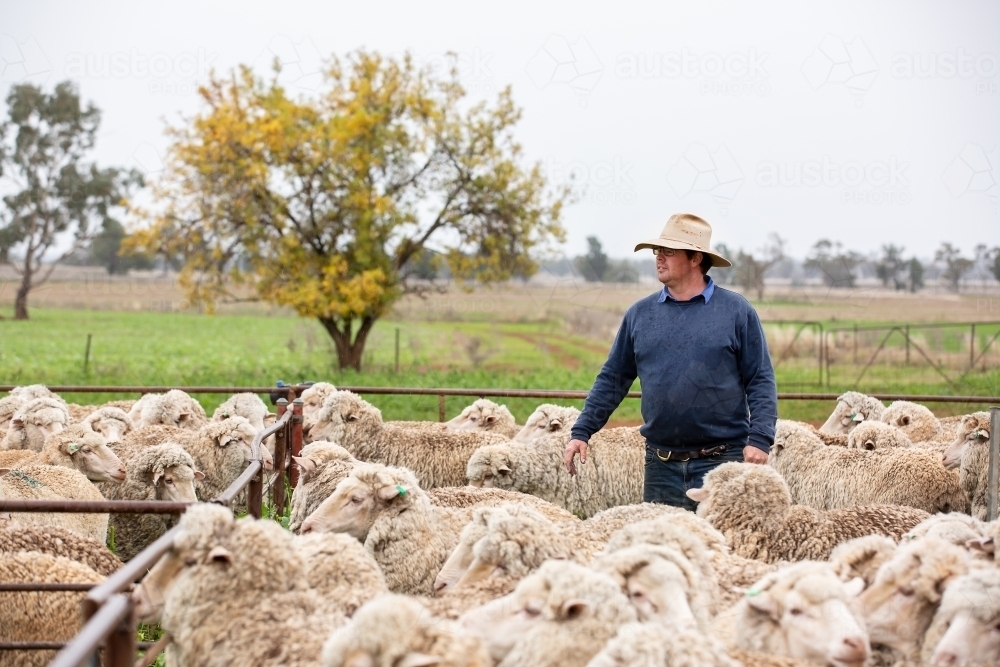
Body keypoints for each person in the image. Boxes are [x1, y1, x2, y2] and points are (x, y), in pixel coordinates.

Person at [564, 213, 777, 511]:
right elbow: (614, 377)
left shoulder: (736, 312)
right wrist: (581, 431)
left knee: (724, 551)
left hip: (723, 463)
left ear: (695, 258)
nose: (659, 258)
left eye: (669, 251)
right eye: (657, 251)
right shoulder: (640, 315)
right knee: (663, 552)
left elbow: (760, 378)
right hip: (660, 465)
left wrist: (760, 439)